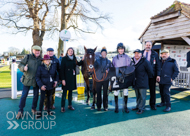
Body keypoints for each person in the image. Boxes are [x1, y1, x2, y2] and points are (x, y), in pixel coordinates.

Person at [16, 45, 42, 119]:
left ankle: (33, 108)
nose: (37, 52)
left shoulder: (41, 59)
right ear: (33, 50)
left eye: (38, 51)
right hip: (27, 79)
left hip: (36, 81)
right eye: (36, 51)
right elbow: (20, 64)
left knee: (36, 96)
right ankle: (20, 111)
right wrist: (23, 68)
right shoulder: (27, 57)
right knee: (24, 95)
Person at [60, 47, 83, 112]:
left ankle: (70, 105)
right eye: (69, 51)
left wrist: (83, 60)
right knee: (64, 93)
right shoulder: (64, 59)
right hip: (66, 77)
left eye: (72, 51)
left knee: (70, 92)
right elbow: (62, 70)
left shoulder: (74, 58)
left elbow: (78, 64)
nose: (70, 52)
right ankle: (62, 106)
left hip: (72, 77)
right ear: (67, 52)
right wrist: (63, 79)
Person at [132, 49, 153, 114]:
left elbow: (150, 71)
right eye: (135, 53)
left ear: (141, 54)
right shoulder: (133, 61)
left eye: (138, 53)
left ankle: (141, 108)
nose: (136, 54)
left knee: (142, 96)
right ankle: (138, 106)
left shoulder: (145, 61)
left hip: (143, 81)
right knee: (138, 95)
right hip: (136, 82)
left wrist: (145, 78)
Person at [112, 43, 131, 113]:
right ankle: (116, 107)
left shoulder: (127, 57)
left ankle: (125, 107)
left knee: (125, 92)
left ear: (124, 49)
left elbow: (130, 68)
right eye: (119, 49)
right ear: (117, 50)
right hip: (117, 78)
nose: (121, 50)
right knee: (116, 92)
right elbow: (112, 68)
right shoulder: (114, 58)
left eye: (122, 49)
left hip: (125, 77)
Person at [142, 41, 161, 110]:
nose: (148, 46)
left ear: (151, 46)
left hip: (152, 75)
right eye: (147, 45)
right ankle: (140, 105)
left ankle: (152, 104)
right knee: (141, 91)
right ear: (144, 46)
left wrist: (158, 75)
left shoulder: (155, 54)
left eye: (149, 45)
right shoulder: (140, 53)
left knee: (152, 90)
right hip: (142, 75)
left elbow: (158, 65)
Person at [94, 47, 111, 111]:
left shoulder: (109, 61)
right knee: (98, 93)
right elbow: (94, 68)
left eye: (105, 53)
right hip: (98, 79)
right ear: (101, 53)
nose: (103, 54)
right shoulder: (97, 61)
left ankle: (105, 106)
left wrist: (108, 70)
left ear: (106, 54)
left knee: (105, 93)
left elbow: (111, 68)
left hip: (106, 79)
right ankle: (98, 106)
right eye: (102, 53)